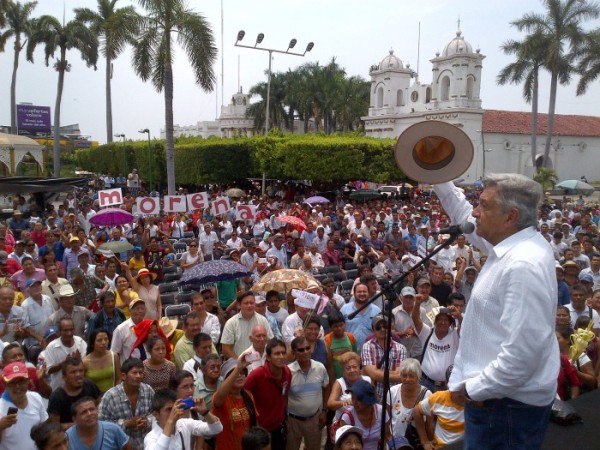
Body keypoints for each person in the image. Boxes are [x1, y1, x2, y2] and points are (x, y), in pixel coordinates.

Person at [434, 173, 558, 448]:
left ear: (510, 217)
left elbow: (522, 356)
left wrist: (473, 389)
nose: (475, 212)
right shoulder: (512, 243)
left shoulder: (523, 264)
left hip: (504, 409)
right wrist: (437, 175)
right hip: (499, 404)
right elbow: (463, 211)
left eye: (485, 206)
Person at [243, 338, 291, 448]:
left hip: (279, 427)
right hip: (261, 430)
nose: (281, 357)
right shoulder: (257, 375)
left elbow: (285, 396)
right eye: (277, 354)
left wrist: (285, 418)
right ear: (268, 357)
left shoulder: (287, 373)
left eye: (283, 353)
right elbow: (243, 396)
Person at [98, 358, 155, 450]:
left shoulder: (148, 390)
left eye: (141, 373)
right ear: (123, 376)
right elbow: (101, 424)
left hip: (146, 444)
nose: (138, 376)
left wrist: (147, 421)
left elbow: (157, 415)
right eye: (134, 373)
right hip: (119, 446)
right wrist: (125, 423)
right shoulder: (111, 396)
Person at [286, 336, 330, 450]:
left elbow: (326, 387)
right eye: (301, 350)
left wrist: (324, 411)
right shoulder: (288, 372)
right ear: (294, 352)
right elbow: (282, 396)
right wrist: (284, 419)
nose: (305, 351)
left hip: (314, 419)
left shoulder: (320, 368)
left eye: (307, 348)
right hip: (293, 421)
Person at [144, 388, 222, 450]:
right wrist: (170, 421)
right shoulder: (151, 437)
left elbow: (217, 429)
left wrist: (205, 413)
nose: (174, 412)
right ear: (156, 414)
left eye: (175, 408)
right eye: (169, 409)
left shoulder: (184, 424)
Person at [0, 362, 48, 450]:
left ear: (28, 380)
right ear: (4, 384)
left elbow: (44, 429)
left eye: (21, 381)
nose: (18, 386)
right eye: (12, 383)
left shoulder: (36, 397)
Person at [212, 355, 257, 450]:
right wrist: (238, 368)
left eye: (242, 373)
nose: (239, 376)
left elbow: (256, 424)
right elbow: (220, 395)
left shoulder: (249, 396)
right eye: (235, 374)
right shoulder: (220, 397)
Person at [362, 314, 407, 402]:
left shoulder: (401, 348)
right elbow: (374, 375)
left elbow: (399, 373)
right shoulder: (367, 346)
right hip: (374, 396)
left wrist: (378, 373)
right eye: (378, 327)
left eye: (385, 326)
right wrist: (396, 375)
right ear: (373, 329)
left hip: (394, 396)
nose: (382, 329)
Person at [47, 357, 101, 429]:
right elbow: (54, 426)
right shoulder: (57, 397)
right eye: (73, 372)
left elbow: (100, 407)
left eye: (81, 371)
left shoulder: (90, 385)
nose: (78, 374)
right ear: (64, 377)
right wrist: (80, 424)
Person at [387, 358, 431, 442]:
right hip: (395, 442)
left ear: (418, 377)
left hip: (416, 442)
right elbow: (386, 419)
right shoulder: (392, 391)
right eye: (404, 375)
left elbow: (429, 424)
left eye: (411, 376)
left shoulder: (427, 394)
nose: (407, 379)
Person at [338, 379, 390, 450]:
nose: (354, 402)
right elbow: (342, 444)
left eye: (359, 399)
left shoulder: (381, 412)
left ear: (368, 400)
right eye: (353, 398)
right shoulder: (347, 417)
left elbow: (387, 436)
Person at [220, 292, 274, 359]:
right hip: (240, 365)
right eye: (246, 303)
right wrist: (240, 363)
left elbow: (270, 341)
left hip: (261, 363)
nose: (249, 305)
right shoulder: (231, 323)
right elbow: (226, 349)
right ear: (239, 305)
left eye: (252, 303)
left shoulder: (263, 320)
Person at [66, 397, 131, 450]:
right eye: (84, 412)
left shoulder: (113, 429)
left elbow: (127, 447)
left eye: (92, 409)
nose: (89, 414)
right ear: (74, 419)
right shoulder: (67, 438)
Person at [43, 317, 88, 390]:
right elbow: (48, 370)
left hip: (80, 388)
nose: (69, 333)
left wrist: (79, 361)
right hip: (59, 389)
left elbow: (87, 364)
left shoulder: (80, 342)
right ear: (59, 332)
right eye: (65, 330)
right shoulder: (52, 347)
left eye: (71, 329)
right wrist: (65, 363)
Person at [340, 283, 381, 349]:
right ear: (354, 293)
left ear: (368, 293)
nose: (362, 294)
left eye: (364, 291)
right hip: (349, 350)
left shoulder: (377, 310)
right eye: (359, 292)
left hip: (371, 350)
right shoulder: (344, 309)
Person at [83, 328, 121, 394]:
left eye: (106, 339)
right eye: (99, 340)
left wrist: (115, 393)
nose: (103, 343)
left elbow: (118, 378)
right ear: (92, 343)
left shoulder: (114, 356)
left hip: (112, 396)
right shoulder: (85, 361)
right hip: (93, 397)